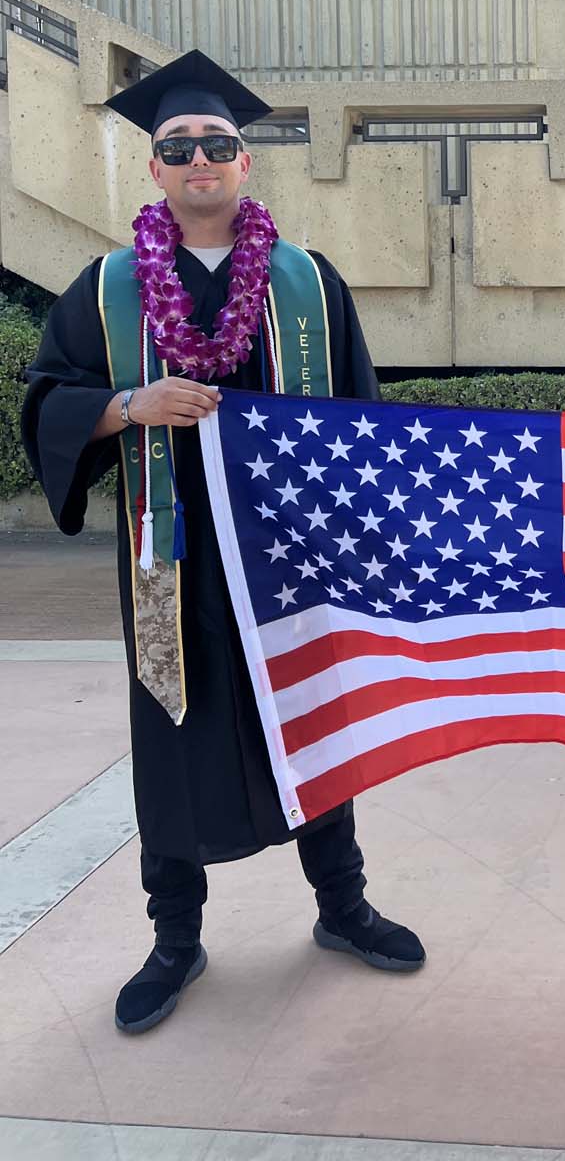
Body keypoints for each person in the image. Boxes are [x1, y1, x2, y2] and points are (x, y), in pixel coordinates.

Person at [22, 50, 426, 1036]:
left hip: (286, 555)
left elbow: (360, 421)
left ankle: (342, 906)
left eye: (216, 143)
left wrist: (367, 545)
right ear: (153, 168)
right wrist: (131, 404)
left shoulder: (306, 282)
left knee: (309, 721)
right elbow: (49, 402)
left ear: (245, 161)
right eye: (178, 147)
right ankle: (175, 940)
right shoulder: (107, 286)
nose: (198, 158)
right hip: (168, 556)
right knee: (171, 731)